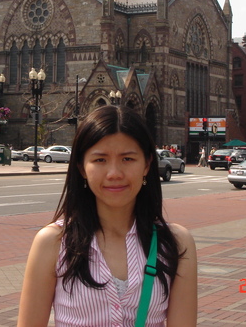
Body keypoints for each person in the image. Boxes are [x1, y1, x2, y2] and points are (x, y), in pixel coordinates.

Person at [18, 106, 197, 327]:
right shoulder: (53, 242)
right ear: (82, 168)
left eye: (128, 159)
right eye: (100, 160)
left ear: (147, 164)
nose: (114, 173)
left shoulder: (175, 244)